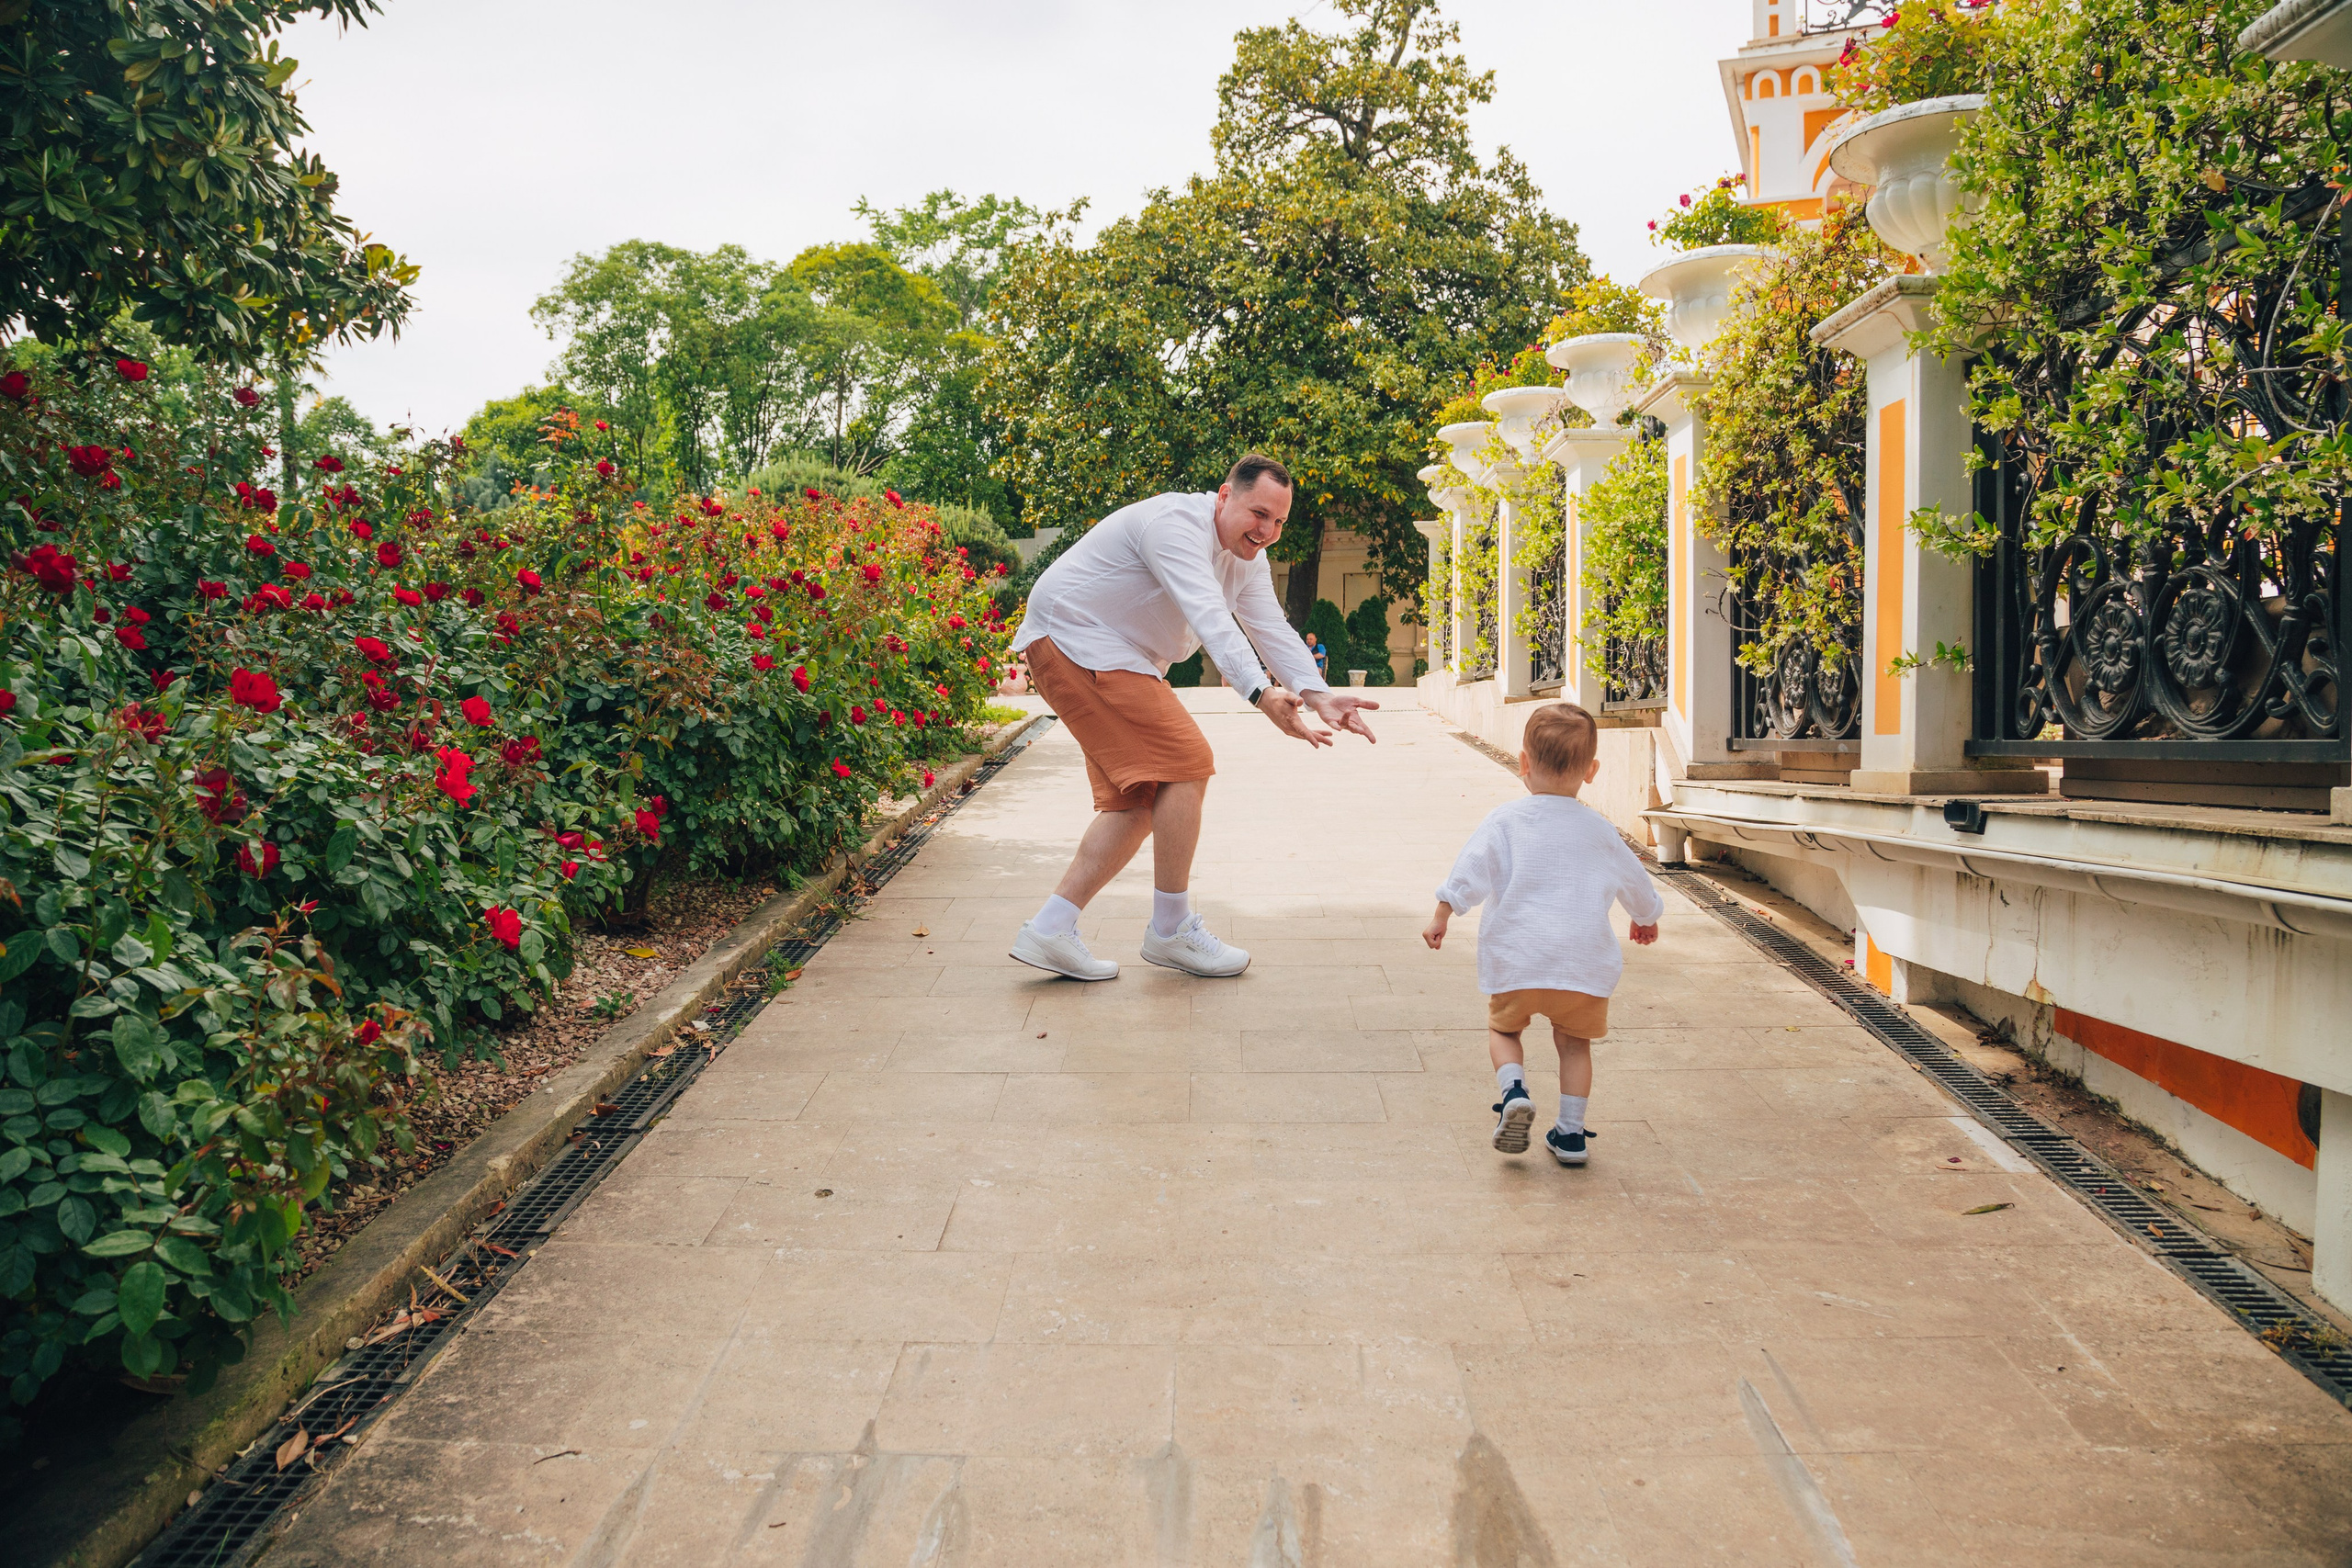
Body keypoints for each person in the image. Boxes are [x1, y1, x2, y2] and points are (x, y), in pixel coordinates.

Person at [1009, 454, 1381, 981]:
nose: (1267, 531)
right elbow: (1211, 617)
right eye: (1259, 514)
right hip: (1075, 638)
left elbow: (1270, 628)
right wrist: (1259, 693)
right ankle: (1170, 929)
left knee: (1140, 800)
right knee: (1186, 764)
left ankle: (1050, 928)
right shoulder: (1175, 526)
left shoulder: (1245, 561)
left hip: (1112, 654)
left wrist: (1319, 695)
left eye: (1279, 521)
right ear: (1225, 495)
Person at [1422, 703, 1663, 1166]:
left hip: (1517, 962)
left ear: (1524, 764)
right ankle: (1571, 1135)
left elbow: (1470, 871)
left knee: (1504, 1029)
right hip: (1581, 966)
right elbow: (1636, 883)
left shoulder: (1505, 821)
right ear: (1591, 771)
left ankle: (1514, 1091)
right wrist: (1646, 916)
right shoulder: (1600, 830)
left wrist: (1442, 913)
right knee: (1574, 1046)